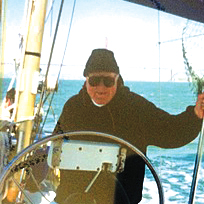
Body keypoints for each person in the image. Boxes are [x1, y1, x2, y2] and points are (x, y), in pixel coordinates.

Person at [53, 48, 204, 204]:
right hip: (72, 197)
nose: (101, 87)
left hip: (121, 199)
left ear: (117, 79)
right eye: (95, 81)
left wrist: (194, 115)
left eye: (108, 81)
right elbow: (54, 145)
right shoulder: (73, 107)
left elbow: (170, 131)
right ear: (86, 80)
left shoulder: (135, 108)